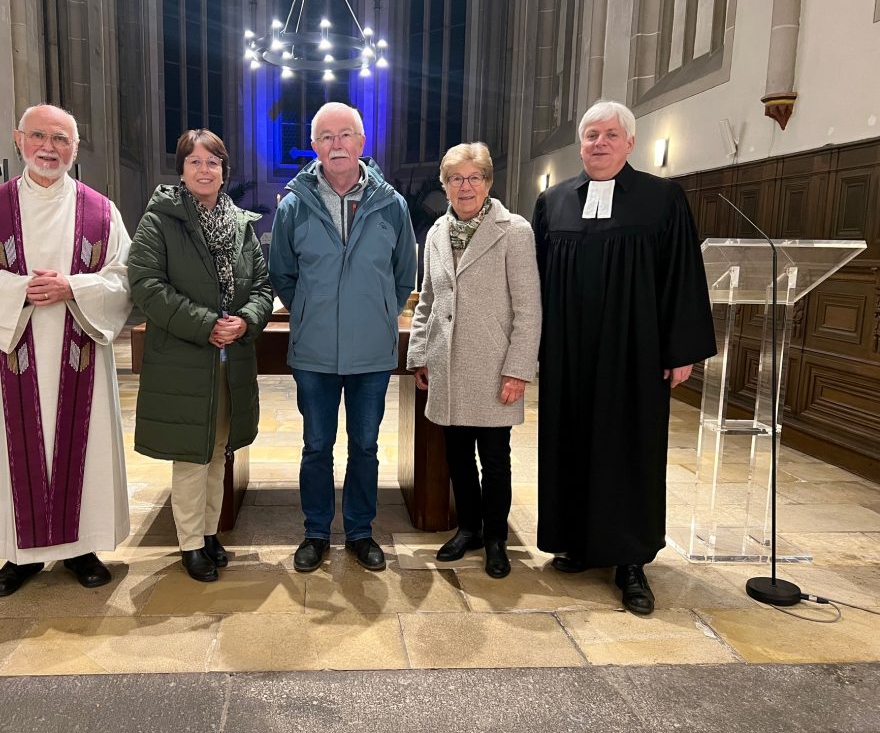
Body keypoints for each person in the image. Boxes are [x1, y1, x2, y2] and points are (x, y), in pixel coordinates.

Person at [532, 100, 716, 615]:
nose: (600, 143)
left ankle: (630, 559)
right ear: (580, 144)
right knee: (569, 440)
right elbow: (534, 281)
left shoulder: (662, 199)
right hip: (568, 352)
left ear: (630, 142)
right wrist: (532, 349)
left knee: (629, 446)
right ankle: (575, 541)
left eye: (611, 134)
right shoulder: (553, 202)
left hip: (634, 351)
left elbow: (681, 273)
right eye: (591, 135)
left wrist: (680, 350)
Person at [0, 104, 133, 596]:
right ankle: (18, 555)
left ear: (75, 148)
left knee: (82, 443)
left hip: (80, 349)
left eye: (61, 139)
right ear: (18, 139)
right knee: (13, 446)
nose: (49, 147)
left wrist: (74, 287)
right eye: (39, 136)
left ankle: (82, 547)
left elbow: (124, 279)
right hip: (11, 350)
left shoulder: (100, 211)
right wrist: (18, 291)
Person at [269, 102, 416, 573]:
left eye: (346, 134)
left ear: (361, 142)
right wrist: (310, 312)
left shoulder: (391, 204)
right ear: (314, 145)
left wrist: (377, 313)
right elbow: (282, 273)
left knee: (365, 446)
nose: (337, 144)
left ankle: (359, 531)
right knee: (316, 445)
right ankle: (315, 532)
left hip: (371, 352)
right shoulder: (294, 205)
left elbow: (403, 275)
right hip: (314, 353)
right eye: (327, 136)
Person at [128, 129, 271, 582]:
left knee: (217, 451)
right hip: (185, 355)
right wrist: (206, 324)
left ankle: (209, 534)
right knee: (191, 456)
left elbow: (263, 287)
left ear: (224, 171)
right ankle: (190, 544)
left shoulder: (241, 225)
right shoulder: (160, 220)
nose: (204, 169)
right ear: (182, 169)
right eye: (195, 161)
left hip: (231, 361)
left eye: (213, 162)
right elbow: (146, 284)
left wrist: (244, 320)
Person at [406, 143, 540, 578]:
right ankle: (469, 529)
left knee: (495, 460)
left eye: (474, 178)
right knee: (458, 457)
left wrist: (518, 369)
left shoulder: (514, 231)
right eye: (455, 179)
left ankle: (496, 538)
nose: (465, 187)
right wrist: (420, 355)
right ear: (444, 185)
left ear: (488, 182)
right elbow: (428, 301)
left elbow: (529, 308)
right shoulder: (436, 234)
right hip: (447, 365)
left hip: (493, 366)